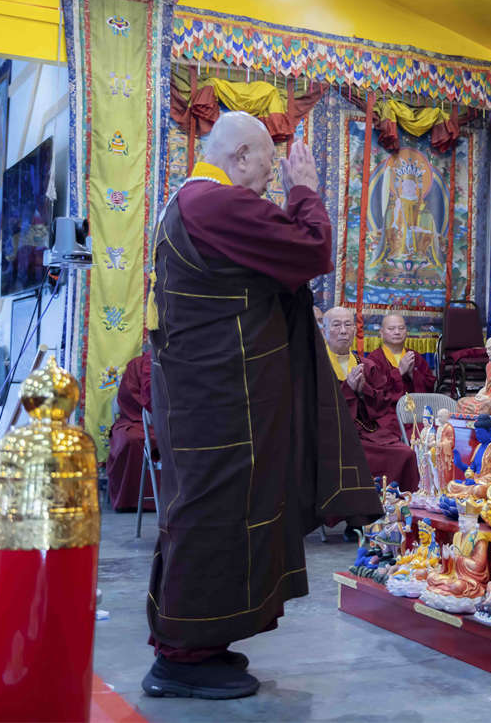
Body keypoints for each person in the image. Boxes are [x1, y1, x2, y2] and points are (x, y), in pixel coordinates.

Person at [144, 111, 380, 700]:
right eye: (268, 169)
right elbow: (311, 249)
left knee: (220, 513)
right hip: (221, 403)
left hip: (215, 399)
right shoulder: (214, 203)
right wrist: (305, 192)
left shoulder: (188, 203)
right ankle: (180, 658)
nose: (270, 183)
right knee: (210, 515)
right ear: (241, 156)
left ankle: (204, 643)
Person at [322, 305, 419, 493]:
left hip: (365, 432)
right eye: (336, 325)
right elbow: (316, 408)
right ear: (324, 331)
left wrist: (362, 391)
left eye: (348, 325)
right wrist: (348, 390)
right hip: (332, 434)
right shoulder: (316, 366)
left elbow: (383, 405)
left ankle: (398, 505)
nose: (343, 330)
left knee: (405, 453)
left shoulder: (366, 365)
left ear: (354, 330)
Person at [358, 314, 434, 478]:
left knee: (432, 435)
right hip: (388, 414)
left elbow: (429, 385)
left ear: (407, 331)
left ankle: (429, 478)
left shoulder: (414, 356)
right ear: (381, 333)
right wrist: (399, 372)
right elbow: (375, 395)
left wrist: (412, 374)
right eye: (391, 329)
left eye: (401, 328)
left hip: (417, 412)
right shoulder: (374, 359)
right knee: (401, 438)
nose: (397, 332)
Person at [106, 349, 153, 512]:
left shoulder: (175, 362)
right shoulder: (136, 365)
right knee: (130, 440)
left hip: (168, 422)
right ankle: (129, 501)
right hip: (134, 419)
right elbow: (128, 395)